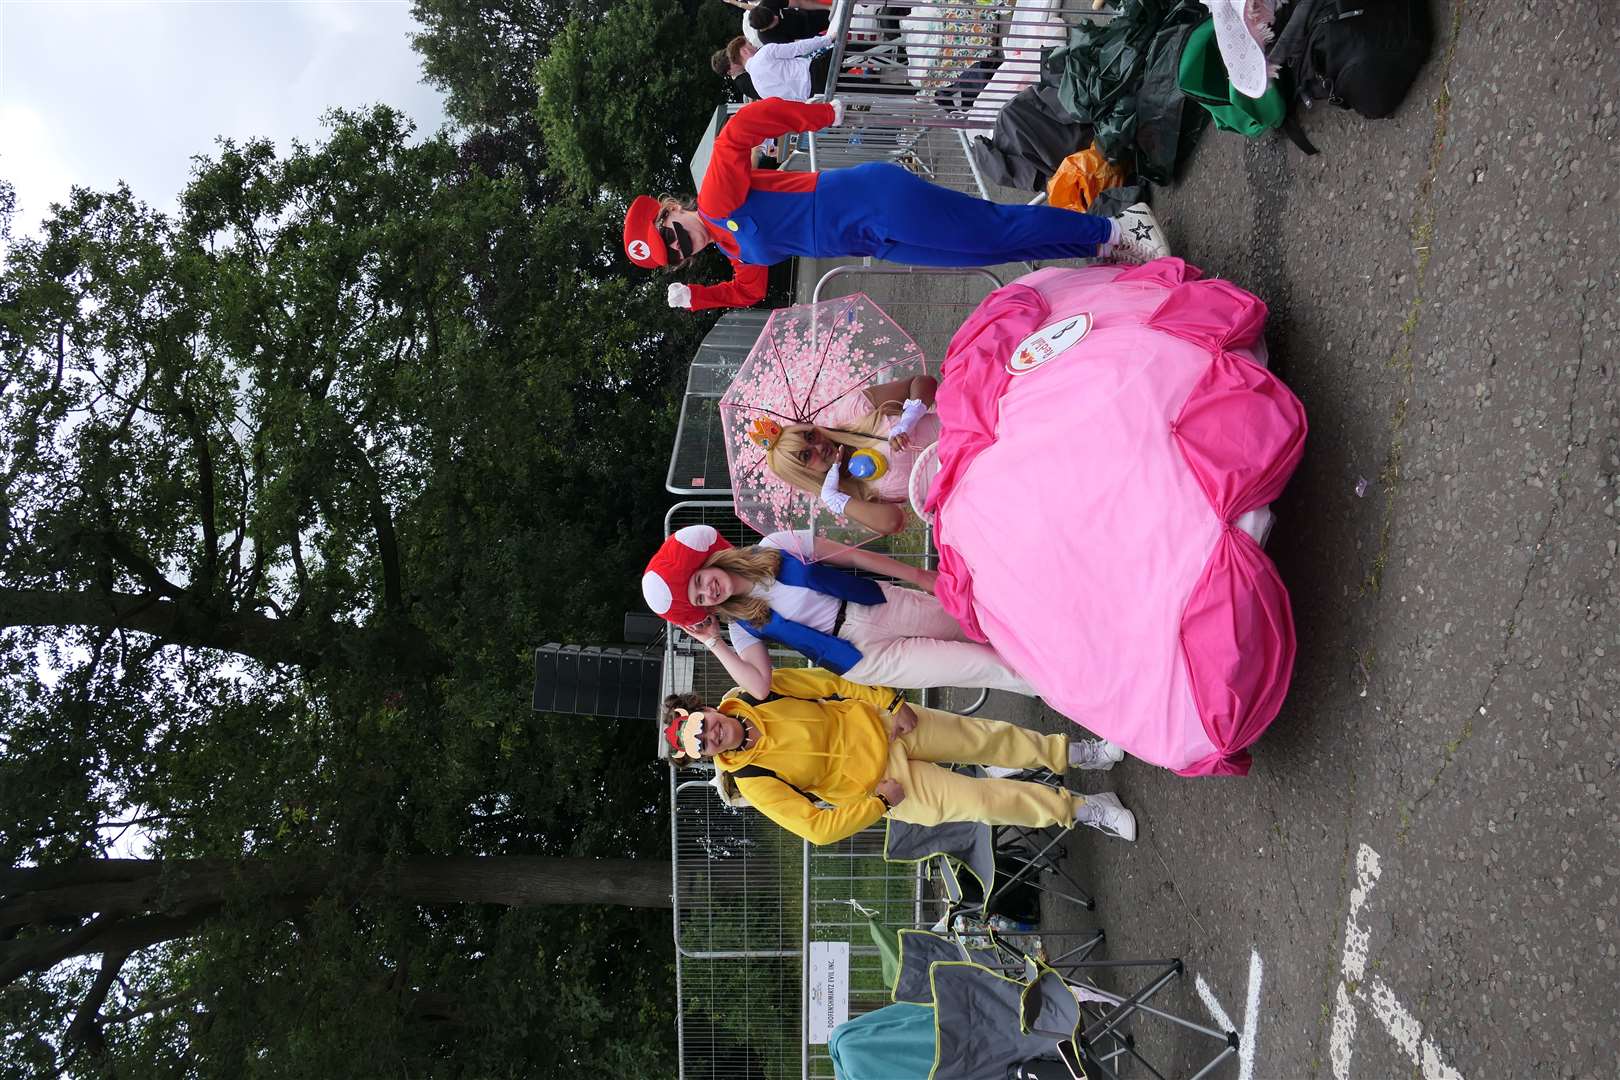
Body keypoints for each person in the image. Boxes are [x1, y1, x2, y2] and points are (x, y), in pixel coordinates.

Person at [621, 97, 1171, 312]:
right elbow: (750, 289)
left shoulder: (717, 204)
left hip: (875, 202)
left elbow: (739, 129)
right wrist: (698, 296)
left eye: (669, 230)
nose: (677, 241)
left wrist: (819, 117)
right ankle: (1103, 240)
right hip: (876, 237)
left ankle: (1115, 229)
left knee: (995, 229)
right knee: (994, 248)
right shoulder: (730, 246)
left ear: (671, 210)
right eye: (673, 252)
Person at [661, 667, 1136, 845]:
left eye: (703, 726)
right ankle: (1085, 809)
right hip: (887, 787)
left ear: (703, 708)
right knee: (984, 803)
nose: (711, 737)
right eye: (701, 746)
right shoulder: (751, 780)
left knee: (986, 738)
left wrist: (888, 702)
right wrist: (880, 804)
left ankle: (1078, 753)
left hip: (885, 723)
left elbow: (828, 682)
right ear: (704, 758)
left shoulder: (753, 691)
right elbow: (815, 828)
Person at [641, 524, 1048, 699]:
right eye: (698, 600)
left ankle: (1060, 647)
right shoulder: (743, 629)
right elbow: (759, 686)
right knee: (980, 667)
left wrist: (918, 575)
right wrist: (714, 641)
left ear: (706, 563)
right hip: (863, 657)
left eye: (699, 581)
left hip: (877, 602)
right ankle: (1068, 691)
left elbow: (849, 555)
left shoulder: (774, 544)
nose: (707, 592)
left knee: (979, 625)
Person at [762, 372, 939, 536]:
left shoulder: (851, 412)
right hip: (959, 485)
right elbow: (894, 522)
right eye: (806, 455)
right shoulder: (849, 494)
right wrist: (838, 499)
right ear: (803, 473)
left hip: (962, 430)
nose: (818, 447)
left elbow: (923, 382)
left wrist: (911, 416)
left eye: (810, 436)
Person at [729, 34, 834, 102]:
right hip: (815, 71)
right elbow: (798, 48)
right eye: (750, 44)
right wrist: (828, 39)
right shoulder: (764, 53)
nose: (755, 46)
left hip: (814, 96)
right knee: (845, 48)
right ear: (744, 51)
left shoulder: (759, 89)